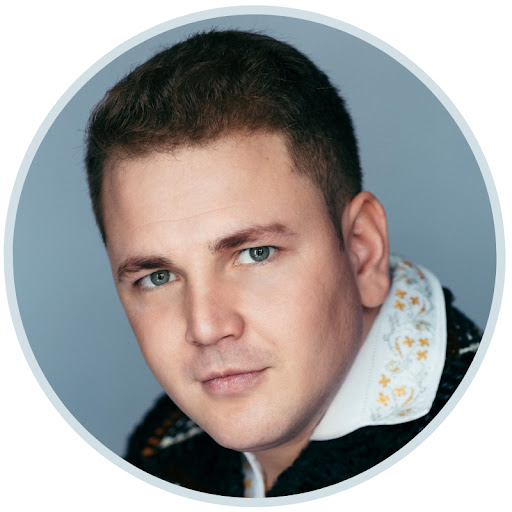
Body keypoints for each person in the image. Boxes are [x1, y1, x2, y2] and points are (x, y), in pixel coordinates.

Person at [84, 29, 481, 498]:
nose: (206, 328)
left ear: (362, 251)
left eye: (256, 253)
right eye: (159, 276)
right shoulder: (163, 451)